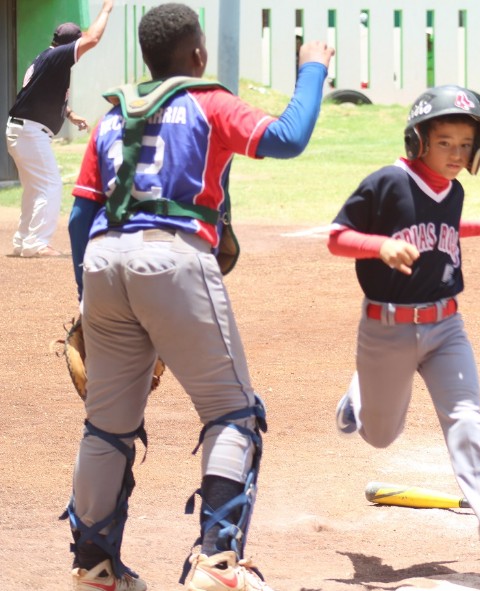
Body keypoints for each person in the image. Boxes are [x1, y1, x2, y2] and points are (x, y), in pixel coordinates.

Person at [62, 3, 334, 591]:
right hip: (173, 258)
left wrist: (88, 302)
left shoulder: (113, 115)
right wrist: (312, 68)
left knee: (107, 425)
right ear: (198, 53)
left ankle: (94, 568)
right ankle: (217, 564)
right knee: (231, 412)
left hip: (103, 261)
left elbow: (81, 216)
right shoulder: (208, 102)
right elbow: (288, 138)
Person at [327, 85, 480, 582]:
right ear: (418, 140)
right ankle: (360, 394)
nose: (456, 154)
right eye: (444, 143)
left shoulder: (454, 190)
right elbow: (337, 238)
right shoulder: (387, 182)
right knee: (381, 436)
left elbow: (444, 227)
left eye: (466, 144)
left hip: (446, 327)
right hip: (386, 329)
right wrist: (378, 247)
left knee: (467, 421)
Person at [5, 0, 114, 257]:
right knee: (51, 184)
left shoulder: (46, 57)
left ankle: (24, 240)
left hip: (23, 130)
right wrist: (106, 9)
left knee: (35, 188)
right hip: (30, 132)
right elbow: (93, 38)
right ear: (69, 45)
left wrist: (70, 114)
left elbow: (39, 96)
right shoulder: (58, 56)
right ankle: (36, 243)